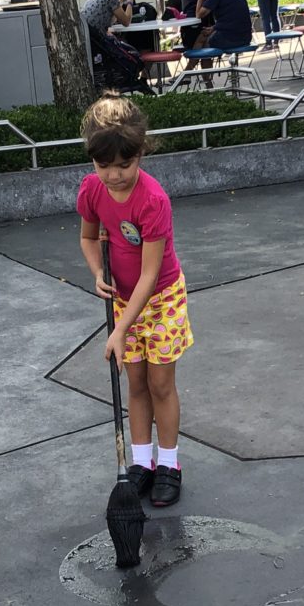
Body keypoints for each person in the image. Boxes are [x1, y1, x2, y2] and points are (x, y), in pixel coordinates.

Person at [77, 94, 192, 507]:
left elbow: (149, 275)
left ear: (140, 152)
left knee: (161, 384)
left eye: (123, 165)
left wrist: (120, 330)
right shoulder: (93, 189)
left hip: (159, 298)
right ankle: (141, 461)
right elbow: (89, 238)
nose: (114, 175)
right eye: (103, 165)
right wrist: (97, 274)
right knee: (136, 382)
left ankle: (169, 464)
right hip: (122, 299)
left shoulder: (153, 200)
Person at [184, 0, 252, 73]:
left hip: (231, 39)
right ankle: (188, 73)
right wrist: (214, 28)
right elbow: (232, 18)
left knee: (204, 42)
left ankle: (191, 75)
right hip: (246, 37)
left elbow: (198, 14)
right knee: (205, 36)